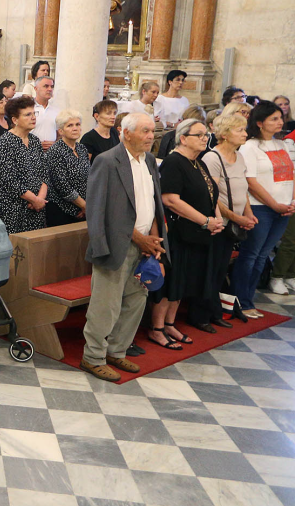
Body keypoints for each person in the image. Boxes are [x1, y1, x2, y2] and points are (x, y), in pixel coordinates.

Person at [80, 113, 166, 382]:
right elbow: (98, 210)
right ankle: (93, 357)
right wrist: (137, 239)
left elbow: (153, 203)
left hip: (145, 244)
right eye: (144, 131)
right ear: (126, 133)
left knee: (135, 302)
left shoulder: (149, 160)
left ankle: (116, 351)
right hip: (116, 245)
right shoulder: (107, 161)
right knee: (106, 306)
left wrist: (153, 240)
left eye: (152, 131)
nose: (151, 136)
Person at [149, 119, 225, 345]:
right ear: (183, 138)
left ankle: (170, 325)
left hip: (197, 233)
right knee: (172, 282)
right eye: (199, 135)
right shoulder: (174, 162)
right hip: (178, 233)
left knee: (185, 282)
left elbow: (211, 192)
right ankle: (157, 328)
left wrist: (217, 218)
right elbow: (170, 199)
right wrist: (205, 221)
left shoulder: (197, 162)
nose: (205, 138)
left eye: (206, 135)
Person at [231, 102, 295, 314]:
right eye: (274, 119)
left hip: (283, 209)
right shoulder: (250, 147)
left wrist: (291, 201)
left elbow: (290, 175)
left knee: (262, 256)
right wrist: (274, 204)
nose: (280, 122)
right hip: (261, 208)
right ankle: (240, 301)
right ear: (259, 123)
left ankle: (249, 299)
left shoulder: (282, 144)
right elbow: (251, 181)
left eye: (280, 118)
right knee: (251, 255)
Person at [202, 114, 256, 324]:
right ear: (224, 135)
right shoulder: (212, 158)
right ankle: (204, 314)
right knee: (211, 269)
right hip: (219, 224)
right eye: (239, 130)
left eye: (244, 129)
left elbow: (243, 189)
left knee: (221, 269)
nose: (245, 133)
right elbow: (213, 197)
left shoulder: (239, 156)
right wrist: (236, 218)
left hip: (234, 222)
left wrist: (248, 214)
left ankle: (216, 311)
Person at [0, 97, 48, 234]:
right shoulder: (5, 143)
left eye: (34, 113)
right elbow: (10, 180)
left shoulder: (34, 141)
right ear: (15, 120)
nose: (33, 117)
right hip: (11, 209)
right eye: (28, 115)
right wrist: (34, 199)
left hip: (35, 208)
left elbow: (44, 173)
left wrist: (40, 199)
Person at [45, 109, 91, 226]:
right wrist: (84, 206)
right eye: (70, 125)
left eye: (77, 124)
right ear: (61, 131)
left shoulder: (82, 148)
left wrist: (87, 205)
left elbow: (89, 177)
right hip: (62, 210)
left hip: (83, 209)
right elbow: (62, 185)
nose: (75, 128)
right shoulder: (55, 151)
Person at [31, 76, 59, 148]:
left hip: (51, 153)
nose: (50, 89)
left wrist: (55, 144)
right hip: (31, 151)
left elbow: (60, 132)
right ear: (36, 88)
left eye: (52, 86)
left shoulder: (56, 110)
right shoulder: (28, 108)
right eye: (46, 86)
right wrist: (35, 144)